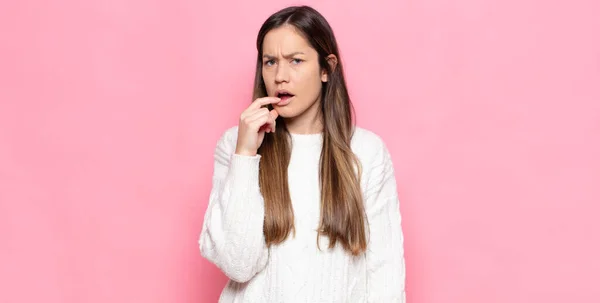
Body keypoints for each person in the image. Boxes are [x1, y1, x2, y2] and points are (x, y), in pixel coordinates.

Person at [199, 5, 406, 302]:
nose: (280, 76)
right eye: (270, 62)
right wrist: (245, 155)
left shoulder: (366, 153)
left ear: (326, 68)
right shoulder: (235, 145)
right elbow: (238, 264)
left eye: (295, 61)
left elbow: (385, 276)